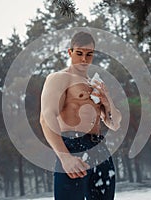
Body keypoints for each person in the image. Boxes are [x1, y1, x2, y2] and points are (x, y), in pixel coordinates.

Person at [40, 31, 122, 200]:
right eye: (79, 53)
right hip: (73, 147)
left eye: (89, 54)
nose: (84, 59)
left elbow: (115, 123)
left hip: (100, 150)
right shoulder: (59, 78)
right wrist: (65, 158)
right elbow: (45, 118)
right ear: (70, 52)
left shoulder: (95, 84)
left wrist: (108, 102)